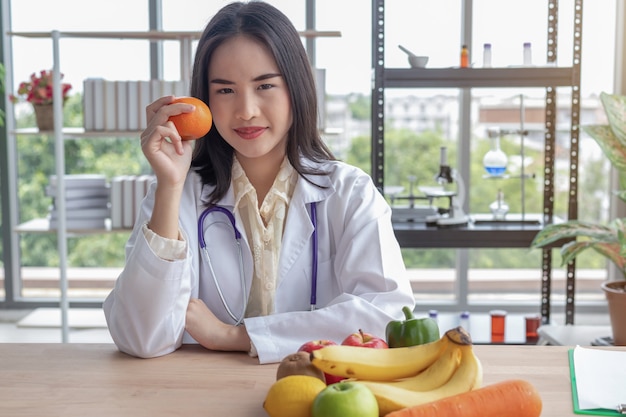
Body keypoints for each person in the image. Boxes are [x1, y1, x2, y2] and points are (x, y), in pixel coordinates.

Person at [103, 0, 415, 364]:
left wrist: (236, 336)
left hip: (318, 393)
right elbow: (141, 337)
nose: (246, 110)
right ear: (204, 99)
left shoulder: (351, 194)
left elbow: (386, 318)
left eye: (264, 85)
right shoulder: (179, 195)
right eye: (224, 90)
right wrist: (171, 185)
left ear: (295, 88)